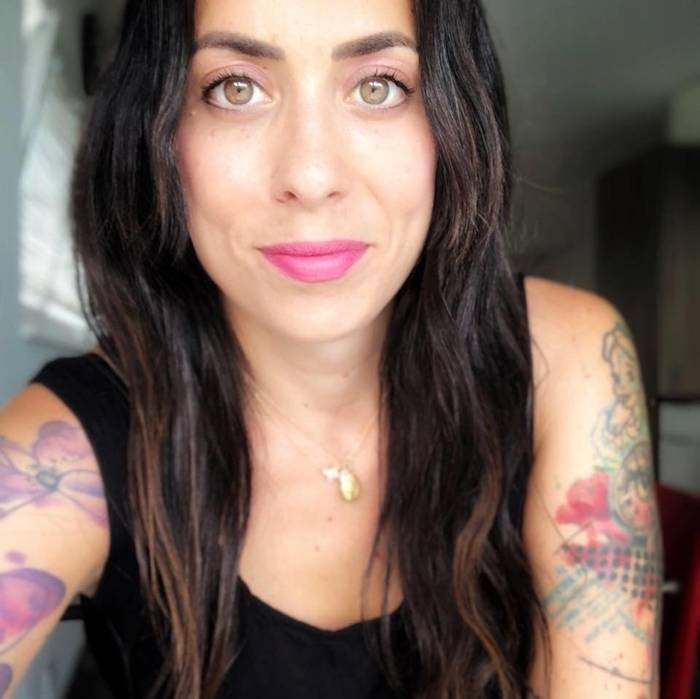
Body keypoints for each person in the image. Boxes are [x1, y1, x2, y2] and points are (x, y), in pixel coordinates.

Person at [0, 0, 662, 697]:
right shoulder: (65, 453)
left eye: (378, 86)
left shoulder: (564, 358)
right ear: (157, 130)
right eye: (235, 88)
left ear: (456, 116)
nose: (312, 177)